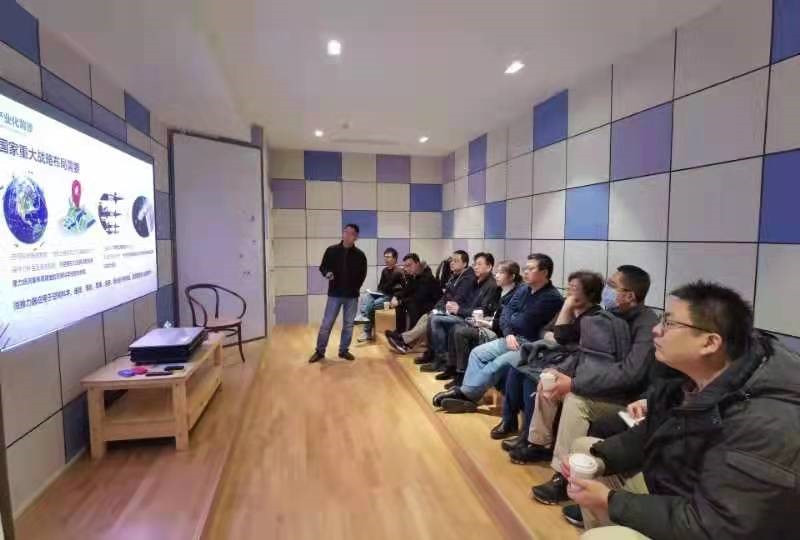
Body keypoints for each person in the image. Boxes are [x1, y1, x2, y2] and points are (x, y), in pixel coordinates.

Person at [564, 281, 800, 539]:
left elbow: (716, 526)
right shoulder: (685, 378)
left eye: (669, 323)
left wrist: (610, 501)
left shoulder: (763, 421)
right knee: (586, 452)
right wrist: (601, 461)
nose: (656, 330)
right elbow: (650, 433)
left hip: (713, 525)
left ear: (710, 343)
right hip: (683, 495)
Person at [523, 267, 660, 503]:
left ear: (630, 295)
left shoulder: (646, 325)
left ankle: (564, 475)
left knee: (576, 401)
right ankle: (538, 444)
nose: (606, 290)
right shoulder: (610, 315)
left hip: (629, 400)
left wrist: (575, 384)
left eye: (612, 285)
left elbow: (631, 374)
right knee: (550, 383)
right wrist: (565, 374)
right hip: (605, 389)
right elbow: (573, 344)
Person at [432, 253, 563, 413]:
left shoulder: (551, 297)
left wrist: (513, 320)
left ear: (544, 272)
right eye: (525, 268)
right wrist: (508, 333)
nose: (525, 271)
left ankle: (465, 394)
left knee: (496, 364)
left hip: (530, 345)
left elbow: (525, 322)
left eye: (531, 268)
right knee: (477, 353)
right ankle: (469, 395)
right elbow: (506, 313)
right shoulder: (524, 289)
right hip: (511, 337)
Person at [493, 271, 603, 444]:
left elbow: (563, 337)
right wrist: (555, 336)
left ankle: (529, 437)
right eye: (568, 287)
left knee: (531, 380)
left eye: (574, 288)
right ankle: (509, 420)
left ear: (590, 293)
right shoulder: (568, 310)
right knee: (515, 369)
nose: (568, 292)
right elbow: (544, 331)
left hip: (573, 365)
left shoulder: (594, 317)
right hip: (556, 356)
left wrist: (565, 313)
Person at [444, 260, 523, 389]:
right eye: (496, 272)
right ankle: (453, 367)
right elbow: (493, 312)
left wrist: (485, 322)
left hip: (499, 332)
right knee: (455, 328)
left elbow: (503, 322)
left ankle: (462, 375)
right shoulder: (499, 290)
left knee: (460, 331)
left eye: (501, 273)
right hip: (492, 324)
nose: (496, 275)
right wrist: (485, 319)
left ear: (512, 276)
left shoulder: (515, 294)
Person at [424, 252, 501, 378]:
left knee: (438, 321)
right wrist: (457, 307)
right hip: (465, 316)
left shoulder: (491, 285)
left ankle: (445, 362)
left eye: (479, 264)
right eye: (474, 264)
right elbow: (466, 302)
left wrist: (459, 310)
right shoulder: (476, 282)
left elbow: (483, 311)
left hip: (476, 321)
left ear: (489, 267)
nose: (475, 267)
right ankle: (445, 362)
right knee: (433, 317)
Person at [386, 250, 475, 354]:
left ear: (464, 264)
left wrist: (439, 308)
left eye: (456, 261)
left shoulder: (467, 279)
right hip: (444, 307)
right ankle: (405, 343)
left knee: (425, 314)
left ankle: (403, 339)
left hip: (456, 312)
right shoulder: (455, 277)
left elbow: (456, 300)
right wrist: (437, 308)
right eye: (452, 260)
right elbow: (444, 297)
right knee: (426, 316)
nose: (452, 263)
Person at [308, 224, 368, 363]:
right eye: (345, 232)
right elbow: (323, 267)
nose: (347, 235)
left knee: (348, 325)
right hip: (334, 294)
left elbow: (362, 274)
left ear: (356, 237)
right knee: (327, 324)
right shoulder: (331, 250)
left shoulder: (360, 255)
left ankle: (343, 351)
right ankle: (320, 351)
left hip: (352, 296)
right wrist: (327, 273)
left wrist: (355, 287)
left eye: (351, 233)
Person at [355, 248, 405, 342]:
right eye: (385, 257)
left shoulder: (399, 272)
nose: (386, 259)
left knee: (369, 306)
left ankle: (367, 332)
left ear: (395, 259)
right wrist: (374, 294)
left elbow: (403, 289)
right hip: (382, 294)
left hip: (390, 297)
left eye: (388, 257)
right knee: (365, 298)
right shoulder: (384, 270)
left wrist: (396, 297)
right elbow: (381, 286)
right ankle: (366, 323)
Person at [390, 253, 441, 335]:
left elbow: (418, 297)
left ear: (417, 264)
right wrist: (396, 297)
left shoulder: (427, 277)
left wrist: (400, 302)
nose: (406, 269)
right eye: (405, 266)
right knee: (402, 305)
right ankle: (400, 332)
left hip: (433, 305)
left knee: (412, 304)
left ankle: (411, 334)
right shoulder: (413, 276)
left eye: (409, 265)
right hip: (420, 301)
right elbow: (406, 291)